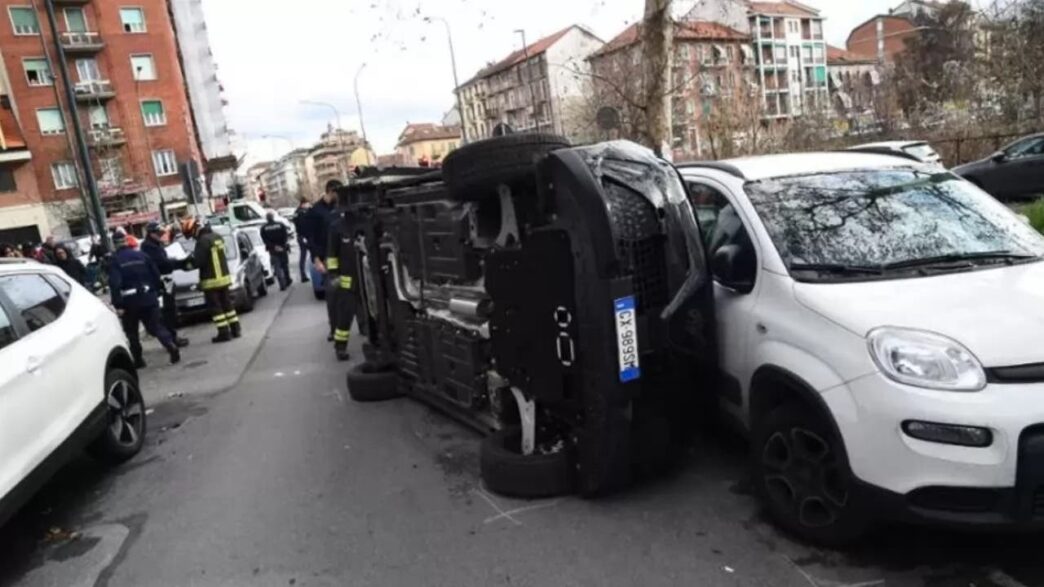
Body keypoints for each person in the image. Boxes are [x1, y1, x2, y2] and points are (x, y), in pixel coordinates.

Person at [108, 232, 181, 367]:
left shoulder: (115, 260)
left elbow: (115, 283)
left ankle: (139, 360)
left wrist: (118, 305)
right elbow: (155, 275)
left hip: (129, 301)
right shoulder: (142, 255)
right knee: (156, 326)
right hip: (148, 297)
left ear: (114, 244)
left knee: (132, 332)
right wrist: (156, 292)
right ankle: (170, 344)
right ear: (126, 241)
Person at [181, 217, 241, 343]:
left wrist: (186, 265)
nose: (192, 236)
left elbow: (199, 262)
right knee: (227, 305)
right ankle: (236, 329)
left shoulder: (202, 241)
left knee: (216, 308)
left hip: (211, 280)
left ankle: (224, 333)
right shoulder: (217, 237)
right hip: (224, 278)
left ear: (196, 228)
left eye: (191, 232)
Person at [141, 221, 190, 348]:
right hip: (161, 282)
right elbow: (163, 263)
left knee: (170, 310)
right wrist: (178, 262)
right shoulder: (149, 247)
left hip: (166, 280)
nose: (160, 235)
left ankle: (172, 337)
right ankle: (171, 339)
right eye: (158, 233)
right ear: (151, 234)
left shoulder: (156, 245)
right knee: (167, 311)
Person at [304, 180, 343, 341]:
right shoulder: (315, 212)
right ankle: (334, 329)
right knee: (332, 297)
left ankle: (363, 327)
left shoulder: (338, 207)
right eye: (337, 193)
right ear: (330, 191)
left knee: (351, 294)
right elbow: (310, 238)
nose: (339, 196)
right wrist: (316, 260)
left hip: (344, 255)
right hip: (327, 258)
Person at [327, 211, 357, 361]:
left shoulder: (367, 223)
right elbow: (332, 253)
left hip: (368, 280)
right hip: (347, 281)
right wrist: (333, 274)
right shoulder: (337, 227)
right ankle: (340, 347)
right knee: (345, 316)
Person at [260, 211, 291, 290]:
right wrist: (282, 245)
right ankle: (287, 280)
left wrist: (274, 246)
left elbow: (265, 240)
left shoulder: (263, 228)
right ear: (273, 217)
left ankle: (282, 284)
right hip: (282, 248)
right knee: (284, 265)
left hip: (272, 250)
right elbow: (285, 236)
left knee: (277, 267)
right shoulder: (280, 225)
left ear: (267, 219)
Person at [292, 196, 312, 283]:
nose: (308, 205)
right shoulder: (303, 213)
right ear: (303, 204)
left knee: (303, 257)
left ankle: (303, 275)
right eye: (307, 203)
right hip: (305, 236)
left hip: (300, 236)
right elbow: (305, 226)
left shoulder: (296, 212)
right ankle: (308, 274)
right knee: (313, 255)